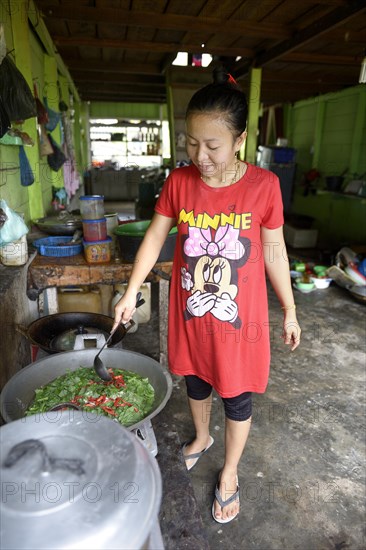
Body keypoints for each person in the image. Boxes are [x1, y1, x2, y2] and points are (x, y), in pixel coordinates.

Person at [113, 67, 301, 524]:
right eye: (191, 143)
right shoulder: (179, 182)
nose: (200, 155)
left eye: (212, 145)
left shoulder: (264, 186)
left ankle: (231, 473)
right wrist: (130, 292)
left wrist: (291, 310)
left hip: (242, 322)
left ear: (238, 141)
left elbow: (274, 250)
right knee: (195, 382)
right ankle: (202, 438)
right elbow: (156, 239)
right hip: (191, 313)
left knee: (236, 396)